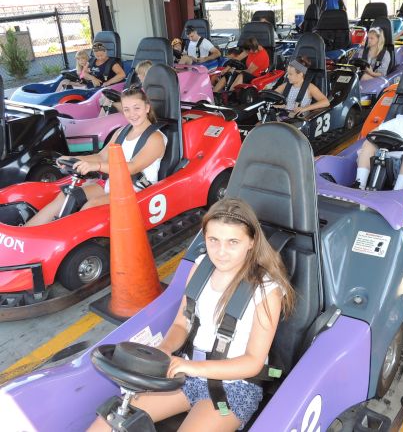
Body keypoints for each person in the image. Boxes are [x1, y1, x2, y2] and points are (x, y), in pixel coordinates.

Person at [87, 197, 295, 432]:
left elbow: (253, 363)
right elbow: (181, 324)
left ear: (251, 242)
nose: (221, 252)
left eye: (233, 242)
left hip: (234, 387)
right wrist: (165, 350)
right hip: (185, 374)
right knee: (109, 422)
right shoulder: (200, 268)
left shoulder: (267, 290)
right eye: (213, 240)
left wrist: (194, 368)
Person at [26, 87, 167, 227]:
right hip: (113, 184)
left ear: (147, 108)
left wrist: (97, 166)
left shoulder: (155, 138)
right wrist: (72, 159)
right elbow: (101, 156)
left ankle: (59, 244)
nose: (132, 114)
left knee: (92, 206)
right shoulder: (122, 132)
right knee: (67, 196)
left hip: (138, 189)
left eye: (137, 108)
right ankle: (28, 233)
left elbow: (132, 167)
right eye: (127, 109)